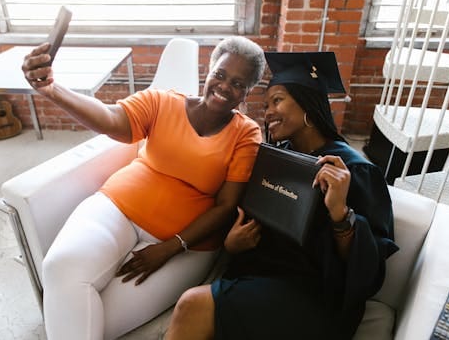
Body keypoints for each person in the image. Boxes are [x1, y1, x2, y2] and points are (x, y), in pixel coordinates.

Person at [20, 36, 266, 340]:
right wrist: (52, 91)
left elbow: (226, 206)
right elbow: (111, 118)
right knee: (60, 269)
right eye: (220, 74)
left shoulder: (246, 134)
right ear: (209, 69)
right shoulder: (162, 102)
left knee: (90, 321)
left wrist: (169, 248)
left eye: (238, 84)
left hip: (187, 245)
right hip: (116, 208)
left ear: (248, 91)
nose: (225, 87)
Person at [165, 52, 399, 340]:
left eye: (277, 100)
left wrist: (341, 213)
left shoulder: (354, 170)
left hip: (315, 295)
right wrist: (233, 244)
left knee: (192, 305)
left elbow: (369, 272)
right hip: (264, 280)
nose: (268, 113)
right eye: (265, 105)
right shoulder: (278, 159)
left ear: (307, 104)